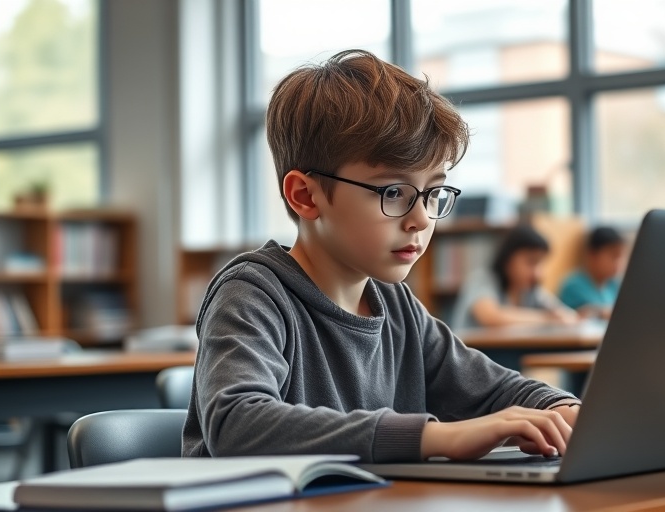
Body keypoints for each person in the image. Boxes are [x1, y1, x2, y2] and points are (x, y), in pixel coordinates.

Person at [182, 50, 580, 464]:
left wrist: (564, 411)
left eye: (433, 192)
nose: (421, 219)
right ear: (306, 196)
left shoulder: (397, 306)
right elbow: (237, 424)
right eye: (393, 192)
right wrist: (435, 438)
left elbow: (497, 391)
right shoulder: (252, 294)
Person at [451, 224, 578, 330]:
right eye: (531, 262)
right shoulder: (482, 279)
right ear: (508, 260)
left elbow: (565, 315)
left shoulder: (531, 291)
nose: (538, 273)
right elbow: (490, 317)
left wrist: (562, 316)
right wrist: (546, 318)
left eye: (541, 264)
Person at [559, 226, 626, 320]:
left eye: (621, 256)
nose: (618, 263)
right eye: (613, 256)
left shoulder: (613, 285)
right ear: (592, 255)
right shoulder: (573, 285)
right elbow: (579, 315)